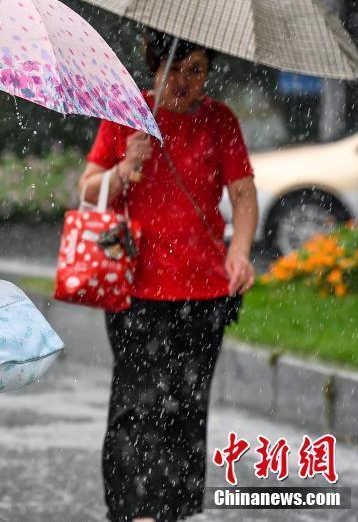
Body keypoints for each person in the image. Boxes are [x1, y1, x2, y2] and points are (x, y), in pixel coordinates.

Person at [78, 32, 258, 522]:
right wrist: (124, 168)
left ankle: (173, 510)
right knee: (137, 406)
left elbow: (243, 196)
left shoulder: (219, 121)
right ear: (154, 66)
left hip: (205, 294)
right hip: (135, 290)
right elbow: (88, 192)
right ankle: (134, 511)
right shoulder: (127, 113)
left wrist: (239, 253)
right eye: (175, 67)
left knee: (187, 407)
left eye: (197, 69)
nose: (184, 81)